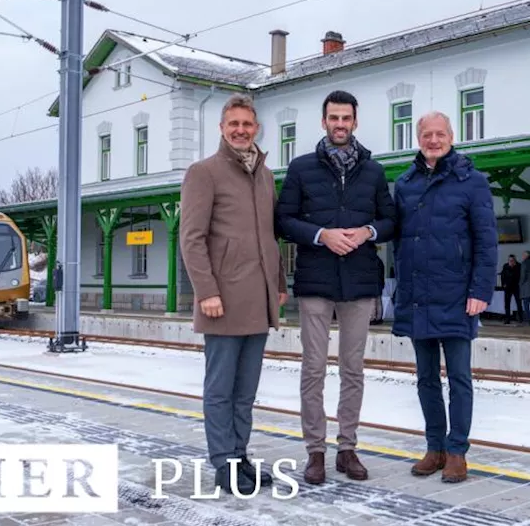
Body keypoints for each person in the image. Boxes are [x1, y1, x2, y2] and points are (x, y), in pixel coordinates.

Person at [275, 90, 396, 485]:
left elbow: (391, 220)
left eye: (346, 118)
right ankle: (315, 451)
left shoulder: (374, 171)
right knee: (313, 368)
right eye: (334, 118)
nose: (340, 124)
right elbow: (283, 221)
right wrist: (321, 234)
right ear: (323, 121)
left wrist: (368, 231)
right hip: (315, 281)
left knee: (353, 369)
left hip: (359, 281)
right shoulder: (301, 167)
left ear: (355, 122)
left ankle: (347, 448)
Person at [179, 94, 288, 495]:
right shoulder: (203, 173)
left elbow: (268, 238)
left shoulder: (264, 174)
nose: (241, 130)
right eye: (233, 124)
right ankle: (222, 461)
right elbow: (191, 239)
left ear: (256, 128)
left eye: (247, 124)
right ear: (222, 129)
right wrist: (206, 290)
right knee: (220, 388)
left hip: (257, 298)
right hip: (221, 298)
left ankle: (240, 455)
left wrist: (278, 284)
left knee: (246, 390)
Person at [391, 111, 497, 483]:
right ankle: (434, 447)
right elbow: (398, 236)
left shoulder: (472, 182)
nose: (433, 140)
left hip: (456, 295)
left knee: (459, 377)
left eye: (440, 134)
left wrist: (480, 291)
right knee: (425, 379)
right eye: (427, 135)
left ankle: (457, 451)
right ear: (418, 138)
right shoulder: (405, 183)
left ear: (452, 136)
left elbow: (486, 241)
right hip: (418, 293)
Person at [499, 254, 521, 324]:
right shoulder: (506, 266)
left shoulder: (519, 266)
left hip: (516, 287)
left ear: (515, 260)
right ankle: (507, 318)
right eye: (509, 260)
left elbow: (519, 276)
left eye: (512, 260)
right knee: (507, 303)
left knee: (519, 303)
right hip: (508, 288)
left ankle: (520, 318)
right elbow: (502, 276)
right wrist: (503, 285)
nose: (511, 262)